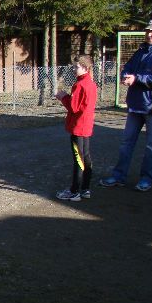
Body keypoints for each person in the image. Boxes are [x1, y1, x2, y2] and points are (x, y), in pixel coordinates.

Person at [99, 18, 152, 192]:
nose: (149, 34)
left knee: (151, 145)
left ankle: (146, 179)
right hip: (135, 104)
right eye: (147, 31)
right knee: (126, 142)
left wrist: (137, 79)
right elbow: (128, 67)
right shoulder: (141, 50)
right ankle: (118, 176)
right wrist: (125, 75)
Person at [54, 54, 97, 201]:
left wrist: (63, 96)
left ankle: (74, 191)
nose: (73, 69)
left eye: (76, 67)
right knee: (86, 156)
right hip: (86, 126)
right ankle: (85, 188)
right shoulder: (91, 84)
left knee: (79, 159)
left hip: (78, 127)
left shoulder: (80, 85)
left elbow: (73, 107)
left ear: (85, 67)